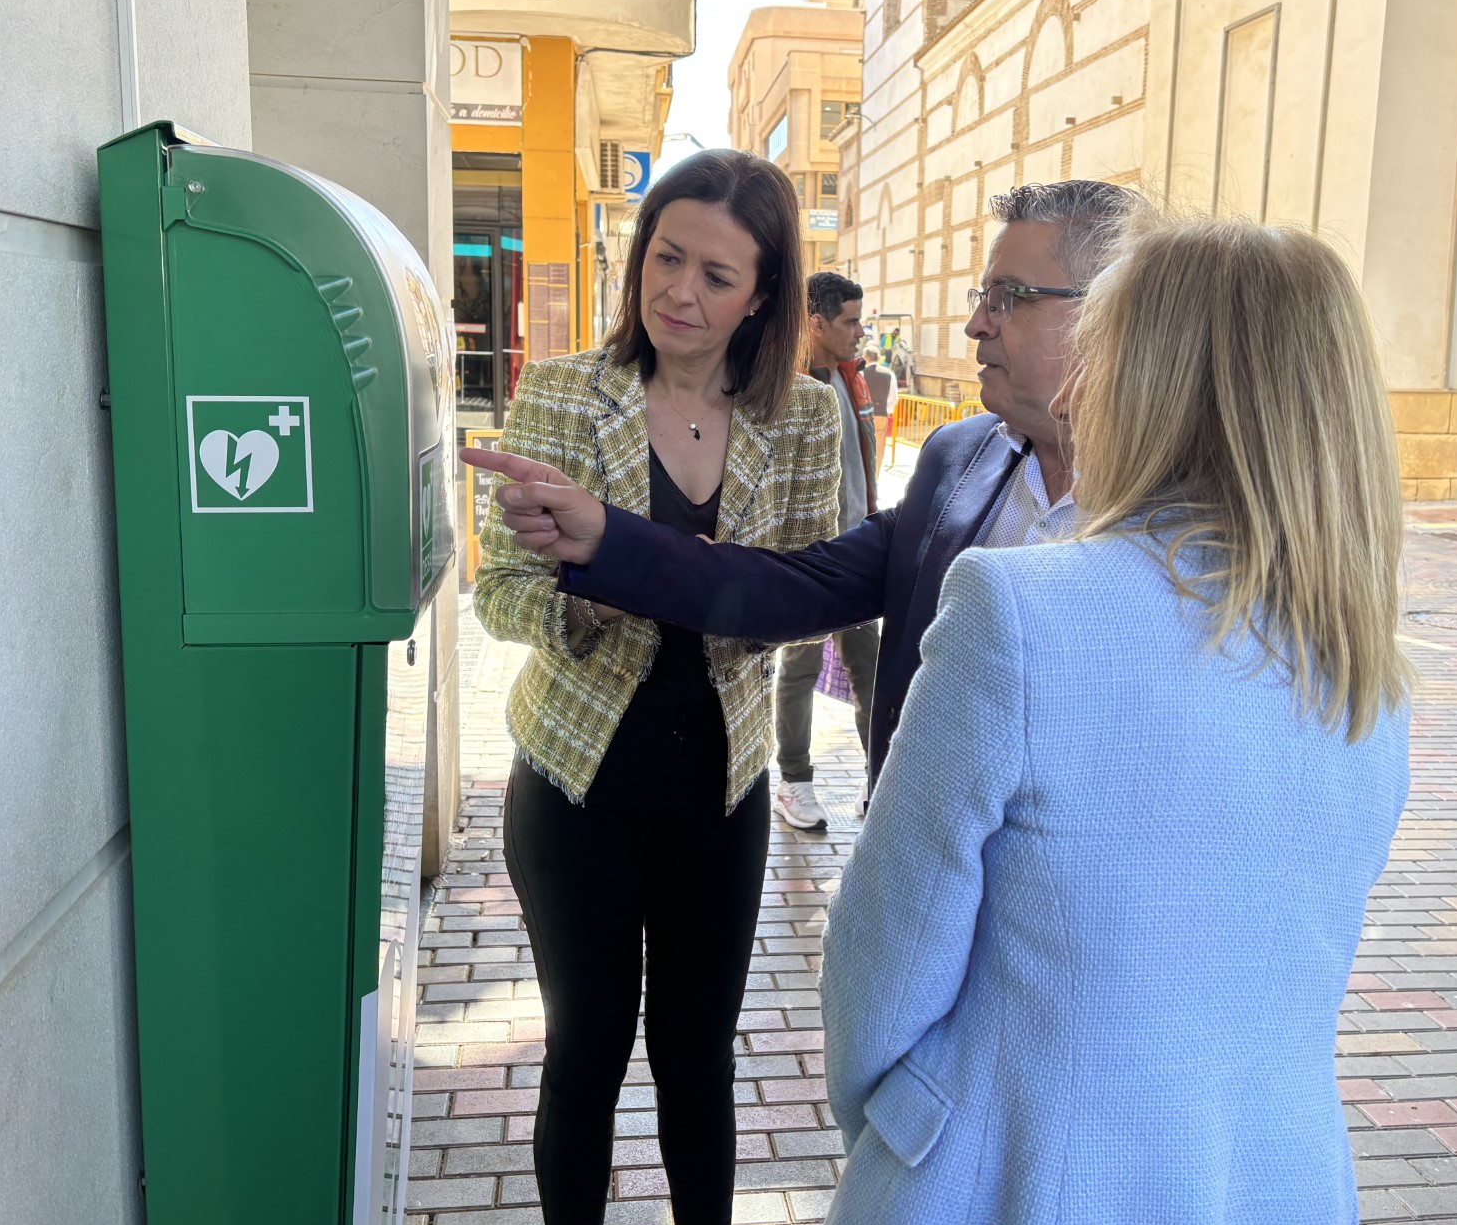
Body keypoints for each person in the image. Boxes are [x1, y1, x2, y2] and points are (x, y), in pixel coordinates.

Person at [811, 219, 1412, 1225]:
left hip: (1015, 1192)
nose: (1078, 395)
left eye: (1103, 359)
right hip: (1275, 1203)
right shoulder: (1368, 673)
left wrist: (902, 1134)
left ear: (1157, 388)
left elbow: (882, 959)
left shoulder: (1021, 614)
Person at [464, 180, 1145, 797]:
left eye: (1009, 299)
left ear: (1111, 318)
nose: (976, 324)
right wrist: (607, 543)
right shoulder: (958, 464)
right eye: (667, 259)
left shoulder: (1211, 519)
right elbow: (795, 588)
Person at [470, 149, 841, 1225]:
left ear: (763, 294)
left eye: (716, 275)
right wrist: (577, 597)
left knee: (699, 1060)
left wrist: (667, 569)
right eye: (665, 259)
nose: (680, 291)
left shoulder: (809, 417)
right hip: (579, 781)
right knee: (584, 1051)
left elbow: (806, 603)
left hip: (719, 793)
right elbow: (498, 591)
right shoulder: (563, 392)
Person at [770, 272, 881, 829]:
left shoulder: (849, 378)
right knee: (799, 665)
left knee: (874, 672)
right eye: (851, 321)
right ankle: (794, 782)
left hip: (857, 552)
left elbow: (860, 472)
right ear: (816, 323)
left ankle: (881, 782)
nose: (861, 331)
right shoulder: (789, 386)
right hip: (812, 557)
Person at [863, 345, 897, 461]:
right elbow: (893, 396)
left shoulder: (861, 374)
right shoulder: (889, 374)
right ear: (878, 358)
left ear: (865, 357)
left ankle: (866, 477)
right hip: (881, 413)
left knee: (864, 447)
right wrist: (887, 409)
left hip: (864, 415)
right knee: (879, 448)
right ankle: (875, 476)